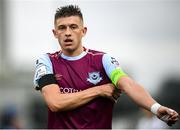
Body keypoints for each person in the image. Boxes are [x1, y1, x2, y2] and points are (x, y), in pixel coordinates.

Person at [33, 5, 179, 129]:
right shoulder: (47, 61)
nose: (68, 33)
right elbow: (55, 103)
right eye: (62, 28)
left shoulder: (103, 60)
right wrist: (99, 90)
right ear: (55, 33)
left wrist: (155, 108)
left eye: (73, 27)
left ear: (83, 31)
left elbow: (129, 84)